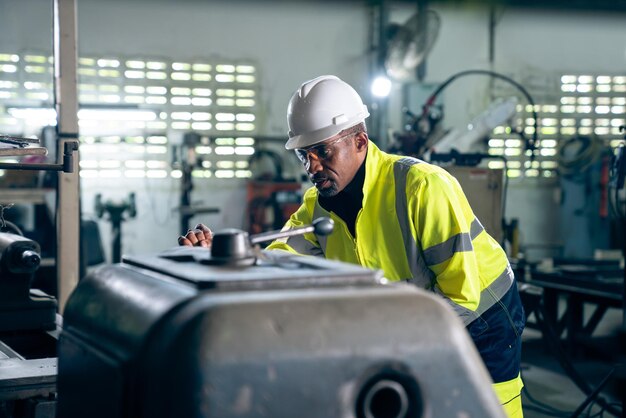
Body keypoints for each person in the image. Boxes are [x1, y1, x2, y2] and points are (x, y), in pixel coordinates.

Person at [179, 75, 526, 417]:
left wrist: (380, 338)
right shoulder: (318, 204)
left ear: (360, 141)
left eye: (322, 151)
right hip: (416, 314)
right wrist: (220, 255)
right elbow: (276, 260)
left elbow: (461, 295)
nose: (312, 166)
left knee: (483, 406)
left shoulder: (422, 187)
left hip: (484, 318)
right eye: (304, 155)